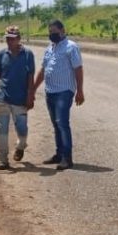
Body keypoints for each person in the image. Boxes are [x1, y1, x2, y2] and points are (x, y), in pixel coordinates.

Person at [31, 20, 84, 171]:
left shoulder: (71, 47)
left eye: (54, 31)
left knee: (62, 122)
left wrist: (80, 90)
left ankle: (67, 158)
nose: (51, 35)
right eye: (50, 32)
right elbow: (43, 70)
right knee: (56, 124)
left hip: (64, 91)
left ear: (62, 30)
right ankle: (59, 154)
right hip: (50, 92)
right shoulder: (50, 48)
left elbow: (78, 69)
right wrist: (33, 89)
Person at [0, 26, 35, 170]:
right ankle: (3, 160)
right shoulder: (1, 54)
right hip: (3, 97)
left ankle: (21, 146)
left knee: (22, 129)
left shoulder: (27, 55)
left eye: (12, 38)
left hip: (20, 99)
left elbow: (30, 77)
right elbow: (0, 74)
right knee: (1, 129)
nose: (9, 41)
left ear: (19, 39)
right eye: (7, 38)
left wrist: (30, 96)